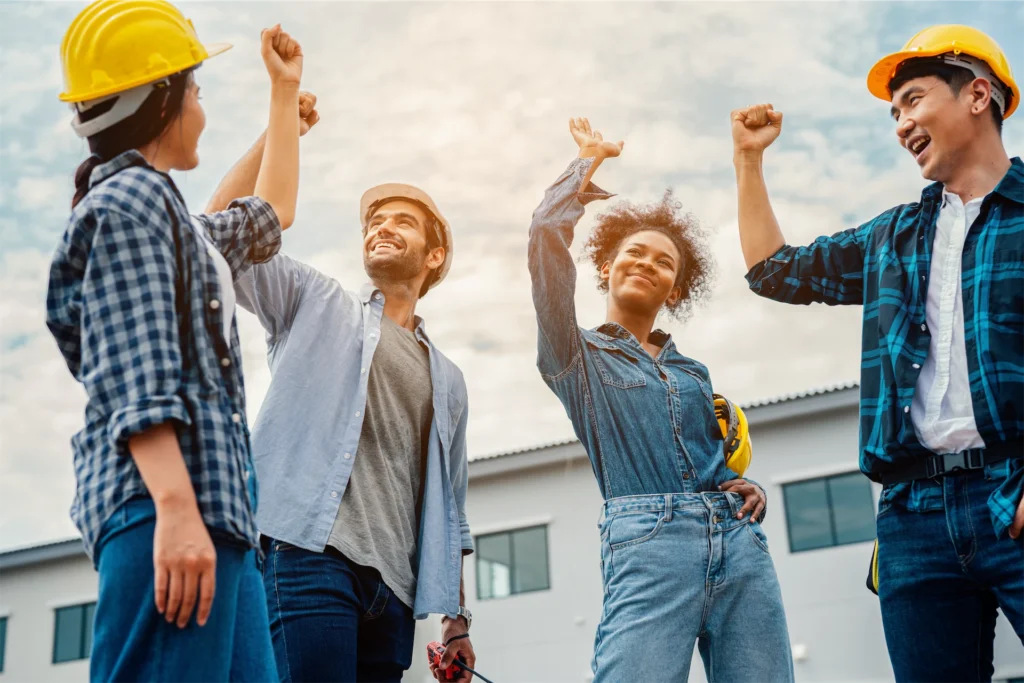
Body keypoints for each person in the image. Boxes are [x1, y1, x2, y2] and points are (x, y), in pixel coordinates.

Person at [733, 24, 1024, 682]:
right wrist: (748, 160)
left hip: (1015, 489)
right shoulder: (891, 236)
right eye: (895, 112)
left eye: (914, 99)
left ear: (977, 94)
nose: (901, 124)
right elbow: (773, 271)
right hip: (912, 517)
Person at [45, 0, 305, 679]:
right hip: (167, 507)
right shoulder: (129, 201)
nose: (202, 106)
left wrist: (283, 96)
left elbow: (270, 215)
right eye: (196, 89)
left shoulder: (179, 224)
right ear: (164, 99)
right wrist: (176, 510)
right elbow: (134, 369)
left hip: (220, 517)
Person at [203, 126, 476, 682]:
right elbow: (215, 235)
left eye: (402, 221)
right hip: (306, 554)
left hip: (394, 592)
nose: (382, 226)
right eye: (375, 221)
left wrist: (457, 622)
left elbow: (451, 507)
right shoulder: (314, 300)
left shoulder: (448, 380)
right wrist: (275, 131)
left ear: (434, 254)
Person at [527, 117, 794, 682]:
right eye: (635, 252)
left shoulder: (691, 371)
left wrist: (737, 482)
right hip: (649, 547)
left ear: (675, 289)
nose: (647, 262)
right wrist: (587, 162)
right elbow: (544, 240)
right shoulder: (575, 355)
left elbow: (710, 462)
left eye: (664, 262)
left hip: (738, 544)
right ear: (606, 266)